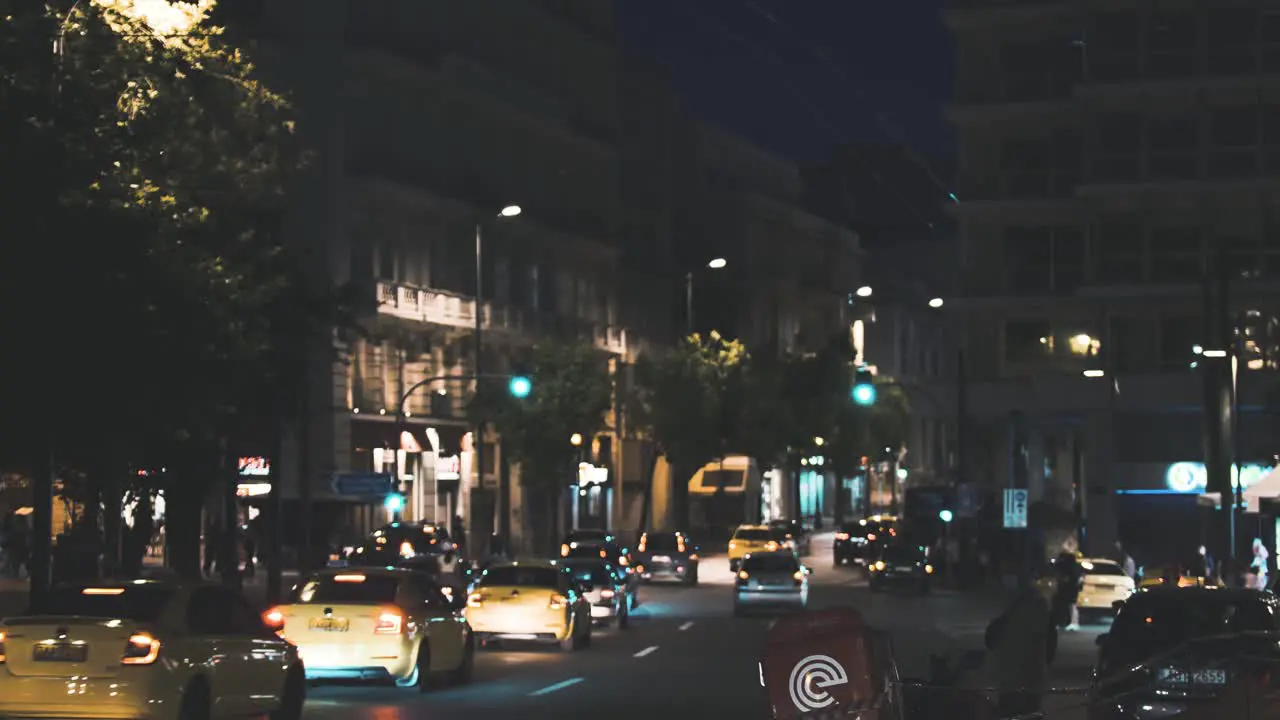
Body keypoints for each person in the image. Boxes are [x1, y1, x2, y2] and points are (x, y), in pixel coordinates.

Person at [985, 576, 1058, 718]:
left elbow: (990, 639)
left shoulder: (1008, 607)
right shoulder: (1040, 605)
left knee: (1010, 711)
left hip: (1010, 680)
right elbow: (1051, 647)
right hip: (1032, 680)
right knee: (1029, 712)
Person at [1052, 552, 1082, 632]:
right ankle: (1071, 623)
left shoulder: (1067, 567)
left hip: (1068, 589)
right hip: (1070, 589)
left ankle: (1072, 623)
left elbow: (1068, 578)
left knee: (1070, 606)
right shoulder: (1074, 566)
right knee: (1070, 606)